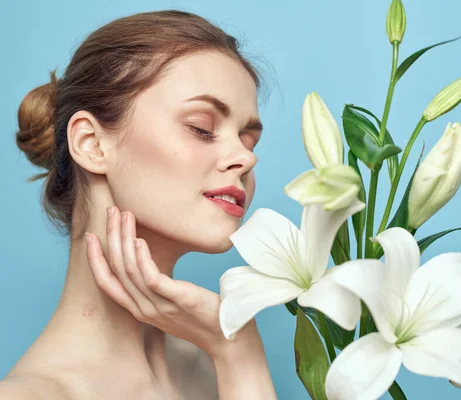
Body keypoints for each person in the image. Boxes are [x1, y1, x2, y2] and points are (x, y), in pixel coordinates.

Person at [1, 9, 277, 400]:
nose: (246, 160)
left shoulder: (218, 367)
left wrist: (238, 352)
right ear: (91, 144)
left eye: (248, 141)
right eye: (202, 127)